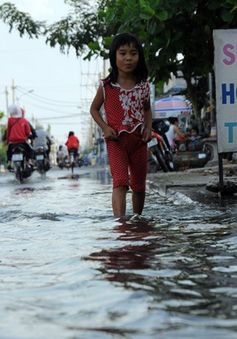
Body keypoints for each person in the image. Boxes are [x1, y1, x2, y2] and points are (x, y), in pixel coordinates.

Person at [90, 32, 152, 218]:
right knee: (121, 182)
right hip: (115, 140)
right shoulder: (106, 86)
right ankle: (121, 224)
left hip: (139, 141)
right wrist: (105, 128)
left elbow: (147, 109)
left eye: (133, 53)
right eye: (123, 53)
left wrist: (148, 128)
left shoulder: (143, 86)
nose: (128, 58)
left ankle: (137, 218)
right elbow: (94, 109)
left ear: (139, 57)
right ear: (114, 56)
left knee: (139, 184)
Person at [5, 104, 35, 169]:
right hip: (22, 141)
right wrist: (28, 136)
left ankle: (9, 163)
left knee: (9, 151)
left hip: (12, 142)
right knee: (31, 150)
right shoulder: (24, 121)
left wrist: (7, 141)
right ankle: (29, 162)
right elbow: (28, 132)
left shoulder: (10, 120)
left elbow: (8, 131)